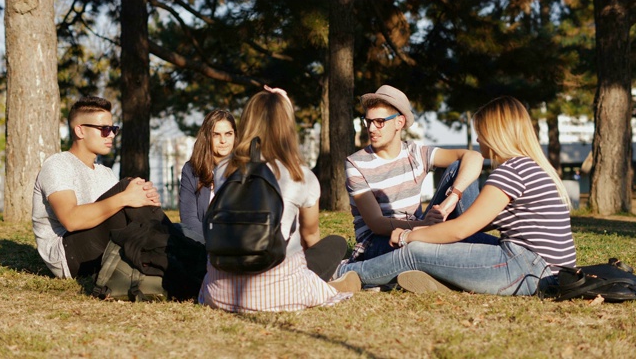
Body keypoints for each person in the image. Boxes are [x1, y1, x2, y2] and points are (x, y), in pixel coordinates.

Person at [335, 96, 577, 296]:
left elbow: (461, 230)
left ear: (496, 133)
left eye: (480, 132)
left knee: (415, 252)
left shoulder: (510, 172)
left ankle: (347, 274)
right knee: (432, 246)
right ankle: (446, 279)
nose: (479, 138)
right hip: (547, 272)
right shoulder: (528, 167)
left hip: (527, 269)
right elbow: (479, 223)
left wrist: (409, 236)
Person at [199, 86, 359, 312]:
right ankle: (333, 280)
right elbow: (310, 236)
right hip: (280, 294)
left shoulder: (223, 169)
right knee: (335, 243)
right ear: (286, 126)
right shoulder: (300, 175)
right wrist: (286, 108)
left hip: (220, 293)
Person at [31, 97, 205, 297]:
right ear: (80, 130)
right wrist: (126, 197)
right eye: (104, 129)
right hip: (68, 256)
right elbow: (71, 220)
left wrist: (144, 199)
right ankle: (194, 261)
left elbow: (123, 210)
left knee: (140, 197)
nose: (111, 135)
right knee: (128, 187)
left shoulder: (105, 172)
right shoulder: (58, 164)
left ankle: (188, 261)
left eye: (114, 129)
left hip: (101, 250)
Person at [346, 85, 484, 263]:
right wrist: (425, 227)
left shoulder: (415, 153)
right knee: (427, 246)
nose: (371, 128)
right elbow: (377, 224)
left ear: (399, 122)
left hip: (417, 232)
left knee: (459, 167)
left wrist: (453, 197)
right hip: (378, 243)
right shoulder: (356, 164)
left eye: (380, 121)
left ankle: (472, 235)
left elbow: (474, 157)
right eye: (368, 121)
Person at [179, 110, 237, 242]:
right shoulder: (192, 170)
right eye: (216, 135)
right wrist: (217, 241)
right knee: (177, 229)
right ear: (207, 137)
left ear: (235, 135)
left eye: (228, 134)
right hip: (203, 243)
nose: (223, 141)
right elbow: (188, 219)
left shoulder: (246, 168)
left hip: (239, 244)